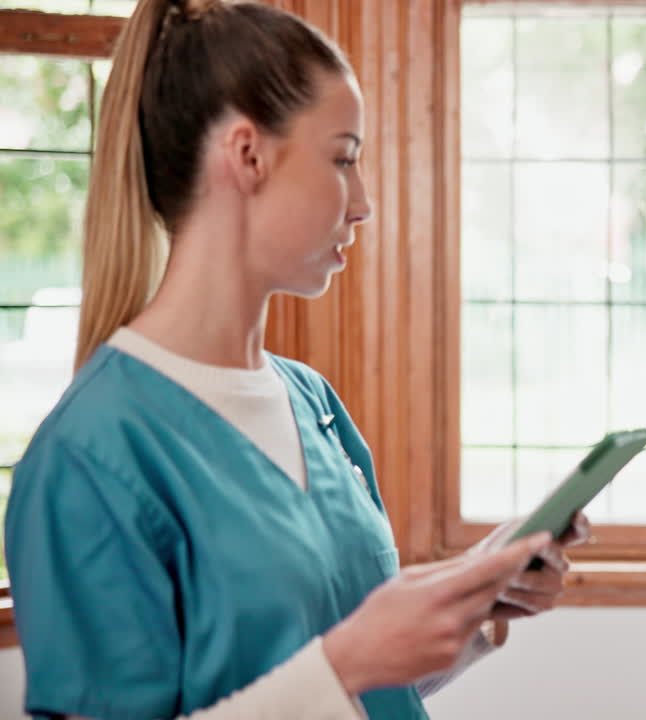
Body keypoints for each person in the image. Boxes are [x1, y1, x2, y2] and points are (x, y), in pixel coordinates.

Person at [4, 1, 587, 718]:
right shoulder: (90, 458)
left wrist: (469, 602)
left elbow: (361, 685)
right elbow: (337, 670)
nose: (364, 203)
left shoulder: (312, 402)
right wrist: (349, 660)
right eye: (343, 158)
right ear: (247, 155)